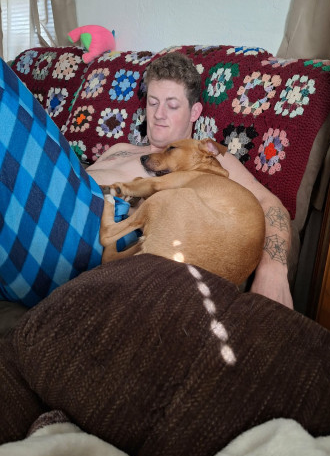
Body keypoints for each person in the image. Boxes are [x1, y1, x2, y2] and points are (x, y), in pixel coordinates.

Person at [0, 52, 293, 309]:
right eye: (153, 103)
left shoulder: (205, 158)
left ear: (195, 112)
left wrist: (273, 270)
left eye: (172, 105)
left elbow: (268, 203)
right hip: (40, 211)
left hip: (86, 232)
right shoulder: (118, 149)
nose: (159, 115)